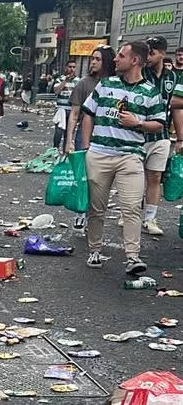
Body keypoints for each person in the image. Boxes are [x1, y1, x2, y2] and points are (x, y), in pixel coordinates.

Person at [81, 41, 165, 274]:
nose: (115, 59)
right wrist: (87, 147)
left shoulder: (150, 92)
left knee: (130, 207)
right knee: (97, 208)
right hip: (99, 154)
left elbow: (159, 124)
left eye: (121, 55)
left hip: (131, 156)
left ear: (134, 60)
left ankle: (132, 257)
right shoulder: (105, 85)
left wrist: (137, 123)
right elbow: (88, 114)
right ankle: (94, 250)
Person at [64, 46, 116, 231]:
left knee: (100, 180)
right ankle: (81, 213)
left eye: (98, 59)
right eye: (92, 58)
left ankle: (94, 215)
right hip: (84, 136)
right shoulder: (84, 83)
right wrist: (69, 140)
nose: (93, 62)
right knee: (83, 177)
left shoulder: (115, 84)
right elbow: (74, 114)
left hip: (107, 137)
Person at [136, 36, 180, 236]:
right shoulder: (140, 73)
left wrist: (180, 137)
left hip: (161, 135)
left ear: (163, 53)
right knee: (135, 177)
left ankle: (150, 218)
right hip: (137, 133)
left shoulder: (173, 78)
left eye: (152, 53)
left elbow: (177, 108)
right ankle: (131, 212)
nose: (148, 57)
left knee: (155, 176)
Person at [53, 60, 79, 150]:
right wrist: (65, 81)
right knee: (58, 132)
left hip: (71, 110)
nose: (71, 69)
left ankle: (65, 152)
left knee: (68, 133)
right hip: (61, 109)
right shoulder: (60, 79)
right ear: (66, 67)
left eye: (73, 67)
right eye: (70, 67)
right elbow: (56, 91)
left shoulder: (78, 81)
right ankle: (55, 150)